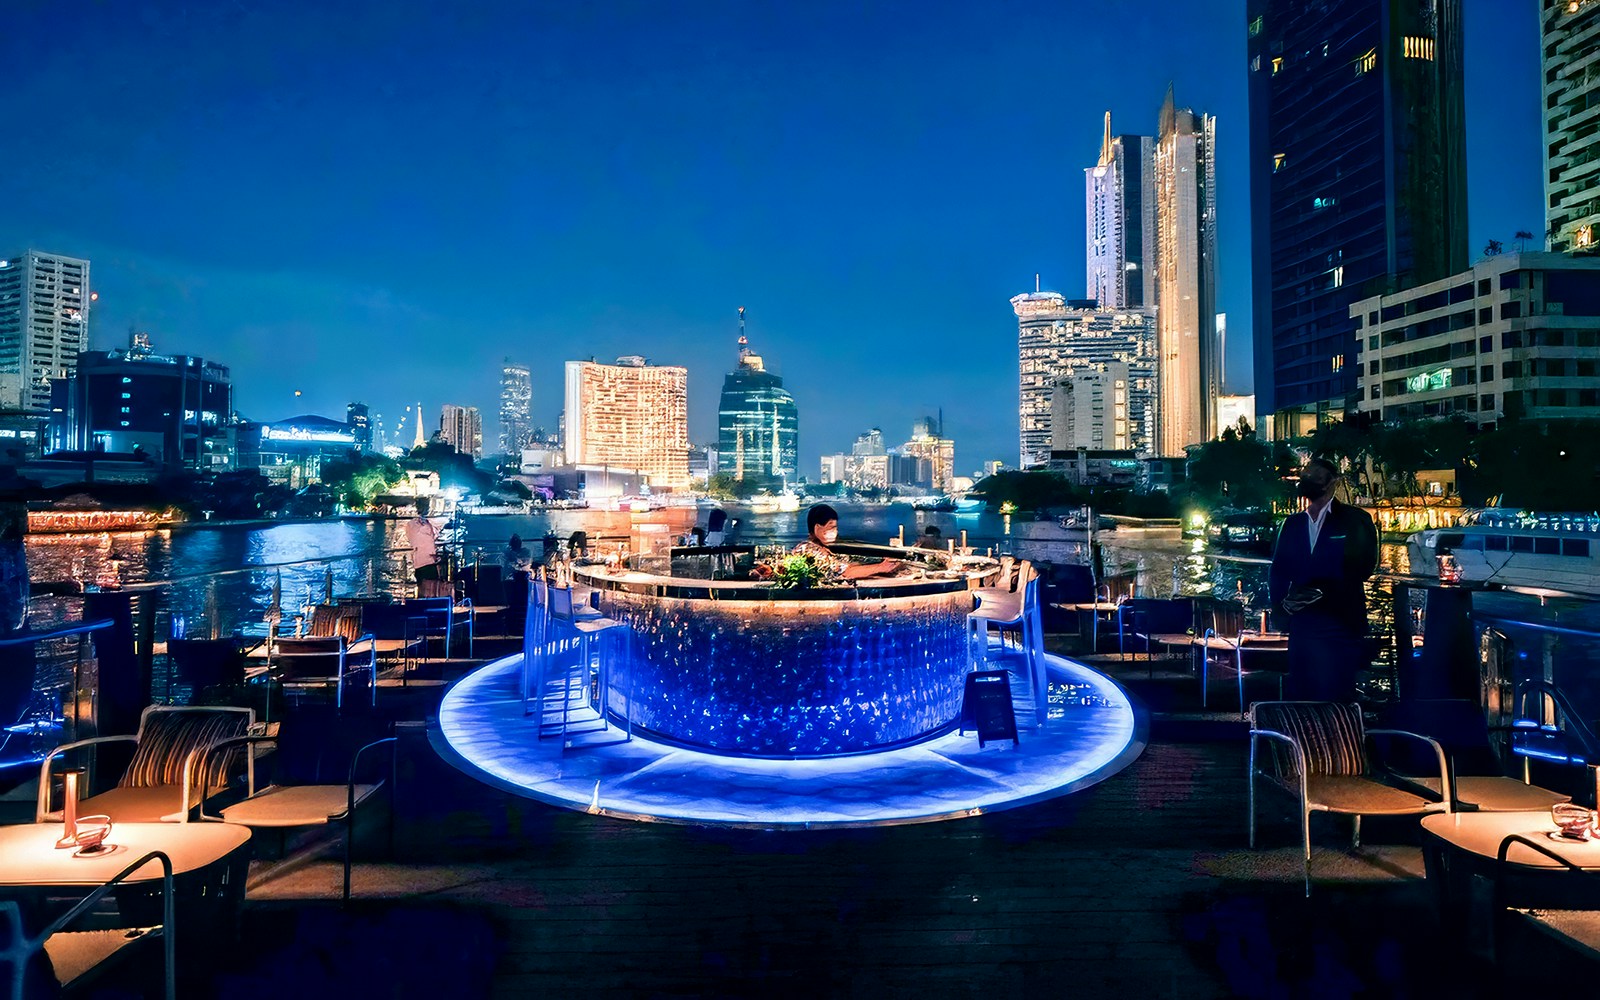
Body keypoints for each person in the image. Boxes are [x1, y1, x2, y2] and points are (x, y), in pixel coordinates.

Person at [1268, 457, 1379, 702]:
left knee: (1337, 691)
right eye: (1306, 475)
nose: (1308, 480)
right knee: (1302, 688)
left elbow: (1363, 566)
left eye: (1315, 476)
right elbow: (1278, 571)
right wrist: (1280, 609)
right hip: (1302, 623)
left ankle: (1341, 739)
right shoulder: (1292, 524)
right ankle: (1303, 738)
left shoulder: (1355, 520)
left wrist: (1321, 589)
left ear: (1332, 483)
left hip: (1340, 621)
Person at [792, 503, 900, 580]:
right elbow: (845, 572)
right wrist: (882, 567)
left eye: (836, 528)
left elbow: (854, 561)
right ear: (817, 528)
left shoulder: (830, 548)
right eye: (831, 527)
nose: (835, 532)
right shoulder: (807, 549)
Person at [405, 498, 442, 582]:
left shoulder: (427, 523)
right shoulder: (415, 524)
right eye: (426, 506)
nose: (427, 509)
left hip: (428, 561)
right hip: (424, 561)